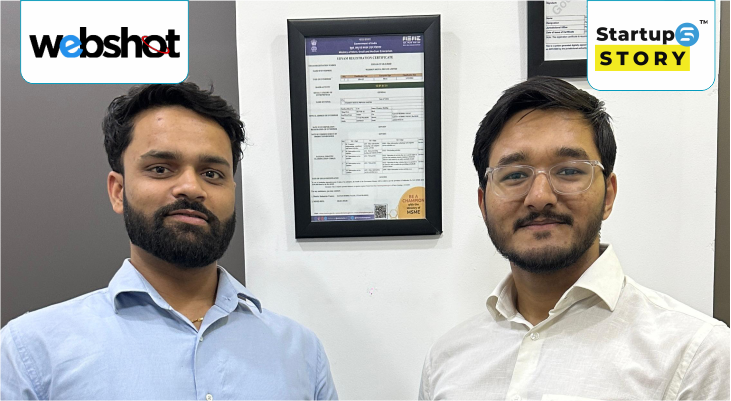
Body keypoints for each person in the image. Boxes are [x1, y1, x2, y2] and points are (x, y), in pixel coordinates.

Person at [0, 83, 339, 401]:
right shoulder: (32, 352)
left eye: (212, 174)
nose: (191, 187)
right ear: (118, 191)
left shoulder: (301, 353)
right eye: (161, 169)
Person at [418, 77, 729, 401]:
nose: (539, 197)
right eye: (515, 175)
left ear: (608, 195)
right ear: (483, 204)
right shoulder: (446, 361)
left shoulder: (695, 354)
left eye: (568, 171)